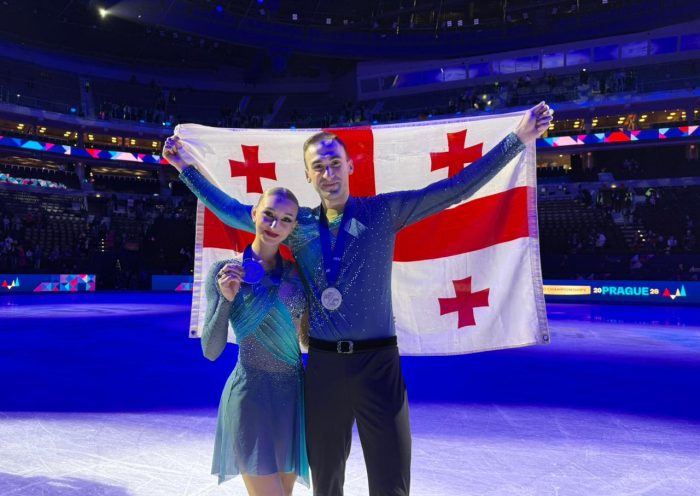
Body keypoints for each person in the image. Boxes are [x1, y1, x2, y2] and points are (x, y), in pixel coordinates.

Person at [165, 101, 553, 495]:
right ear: (308, 175)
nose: (328, 173)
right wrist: (185, 169)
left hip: (379, 365)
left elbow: (453, 189)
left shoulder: (385, 211)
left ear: (350, 166)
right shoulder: (297, 225)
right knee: (326, 485)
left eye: (335, 163)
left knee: (391, 483)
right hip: (324, 369)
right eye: (319, 166)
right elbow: (232, 210)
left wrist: (517, 140)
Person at [183, 180, 310, 496]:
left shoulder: (299, 275)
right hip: (250, 397)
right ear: (254, 213)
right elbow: (211, 350)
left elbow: (308, 340)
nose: (274, 225)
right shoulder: (225, 271)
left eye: (285, 220)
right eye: (268, 215)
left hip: (294, 398)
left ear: (293, 227)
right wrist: (226, 300)